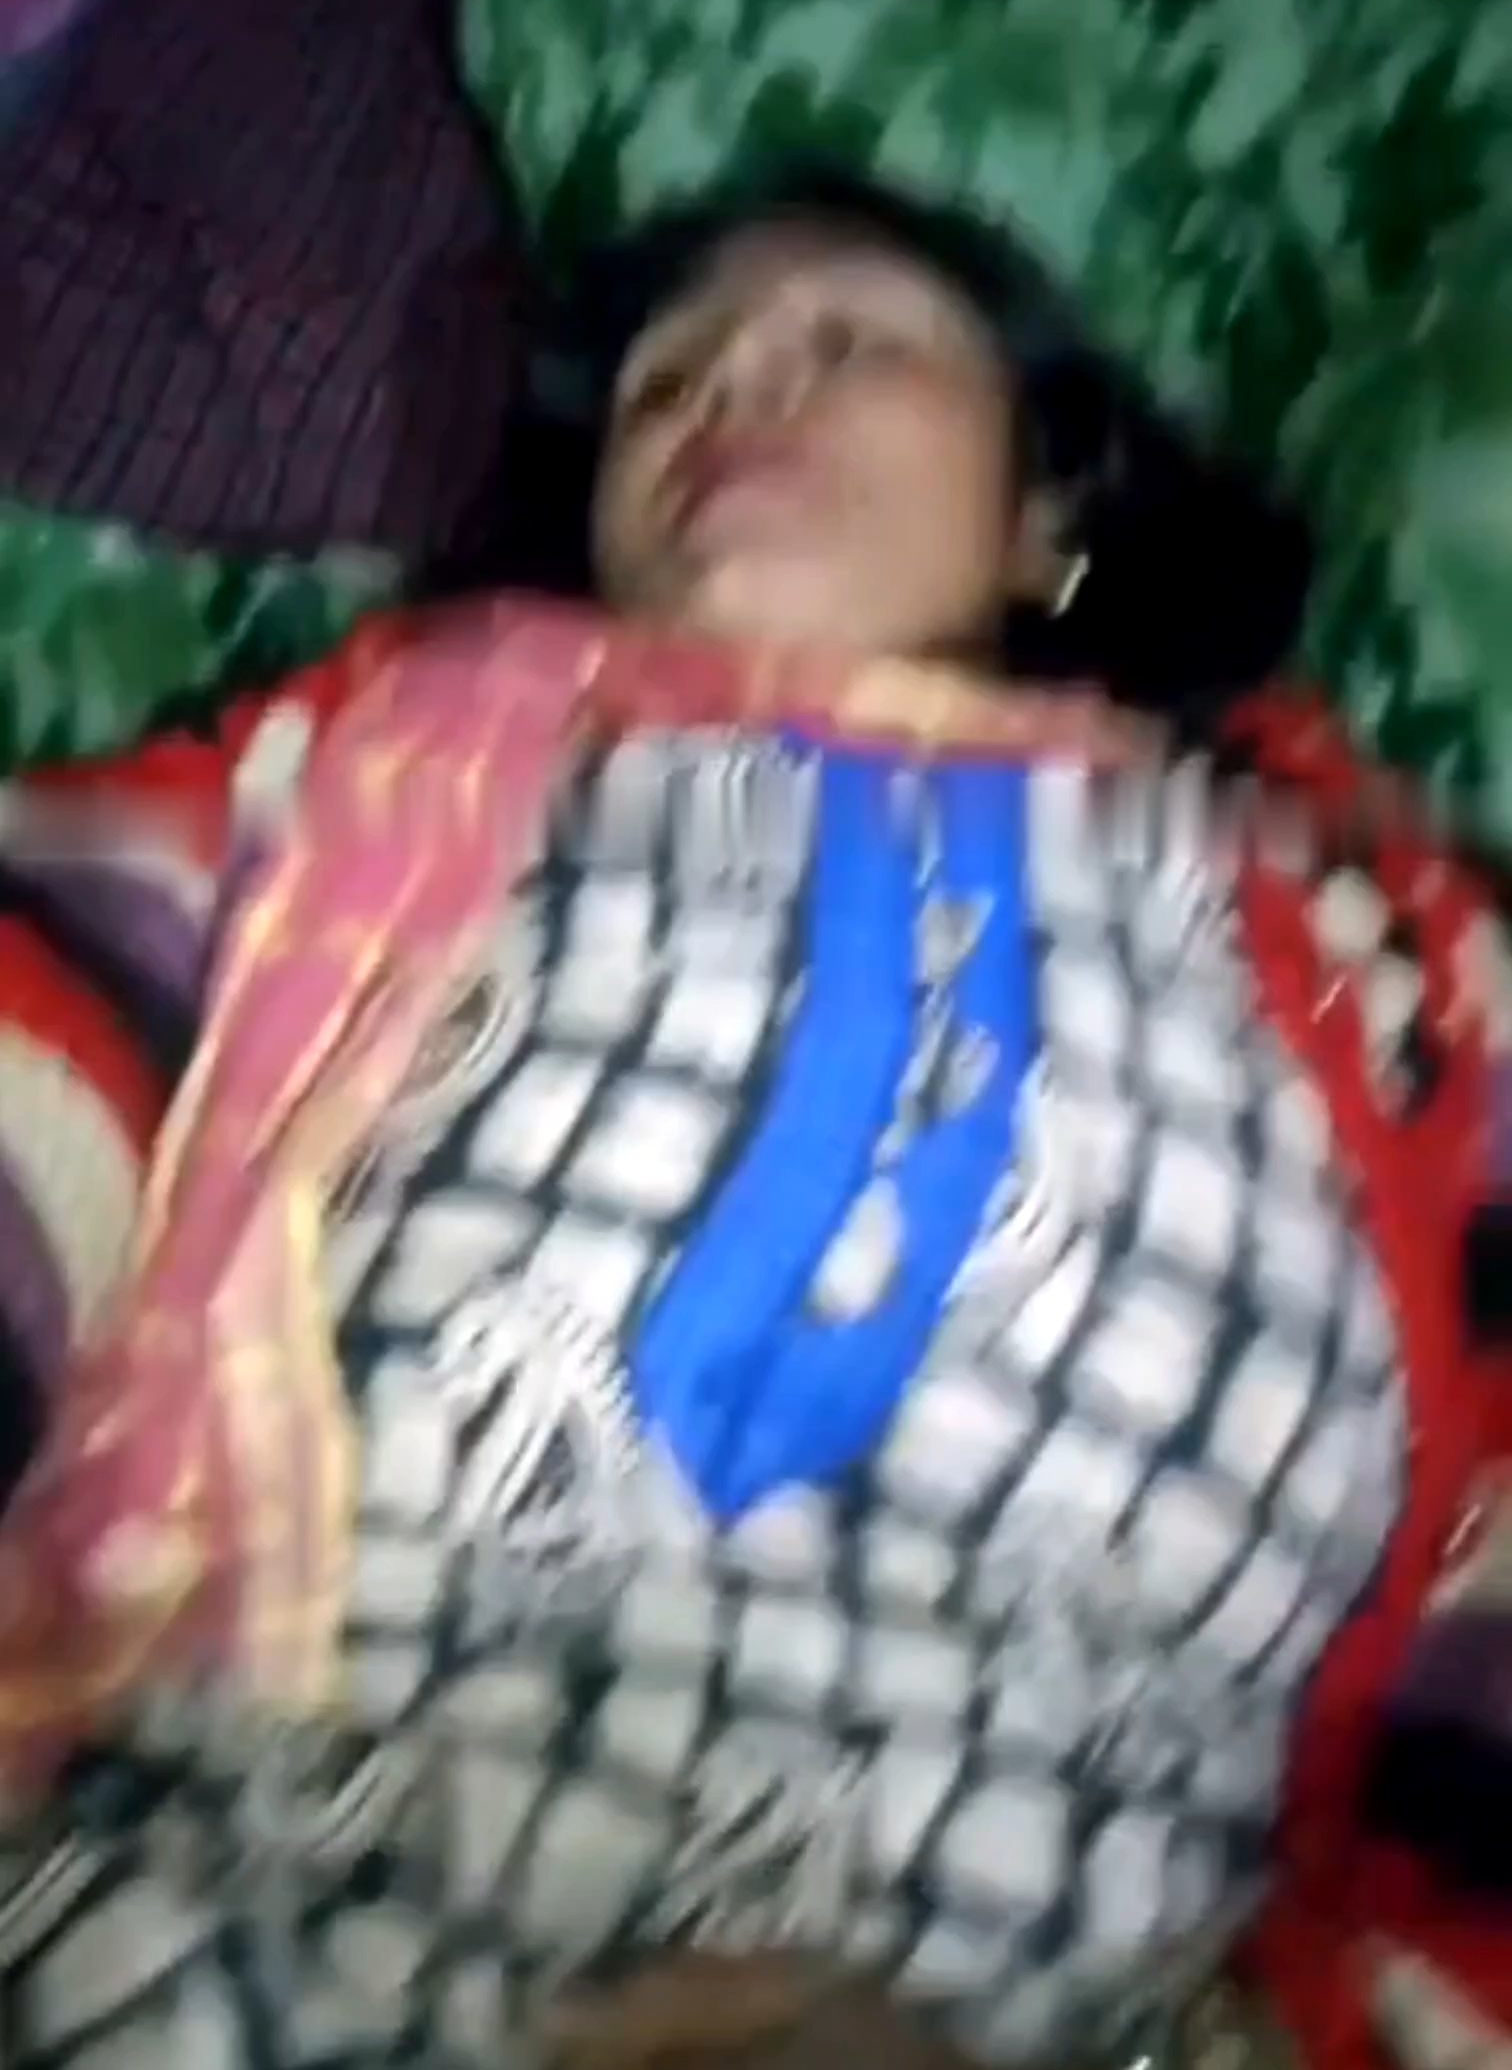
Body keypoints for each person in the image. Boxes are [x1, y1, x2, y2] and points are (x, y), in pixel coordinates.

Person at [0, 170, 1502, 2070]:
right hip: (237, 1897)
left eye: (845, 343)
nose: (726, 394)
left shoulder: (1386, 934)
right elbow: (45, 1025)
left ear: (1047, 512)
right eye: (664, 382)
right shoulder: (384, 756)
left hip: (1064, 1976)